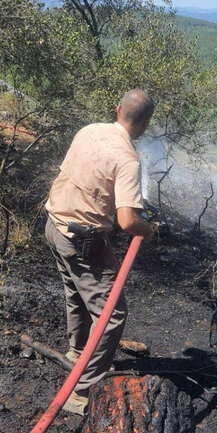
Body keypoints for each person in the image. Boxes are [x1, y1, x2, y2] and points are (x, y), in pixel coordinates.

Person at [44, 89, 154, 415]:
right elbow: (127, 221)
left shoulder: (88, 130)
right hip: (82, 242)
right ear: (145, 123)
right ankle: (81, 391)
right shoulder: (128, 159)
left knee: (75, 294)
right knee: (111, 315)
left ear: (118, 109)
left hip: (54, 226)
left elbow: (89, 180)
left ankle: (76, 354)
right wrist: (149, 229)